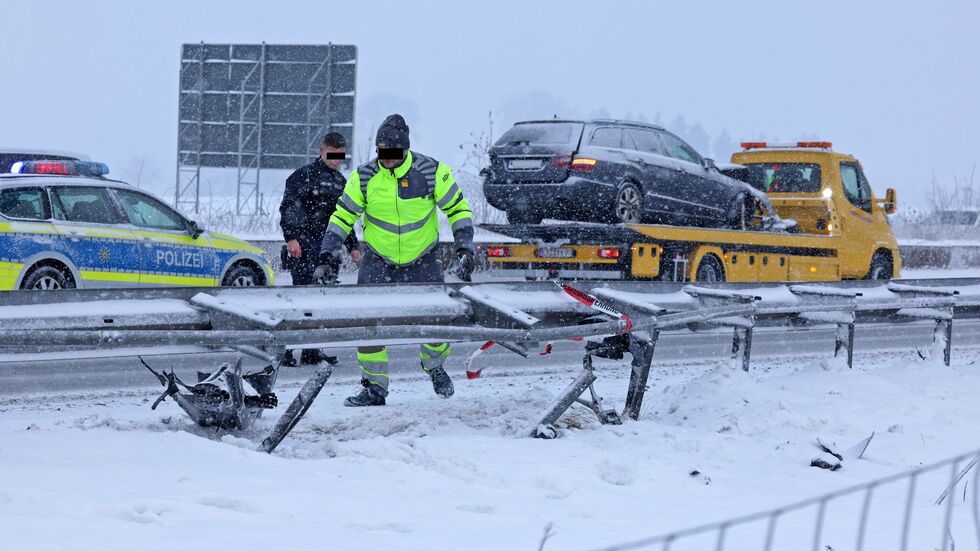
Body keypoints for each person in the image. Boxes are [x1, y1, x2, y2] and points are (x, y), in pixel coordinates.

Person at [316, 114, 476, 406]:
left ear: (406, 150)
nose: (387, 160)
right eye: (381, 153)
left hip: (424, 259)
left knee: (437, 321)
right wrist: (327, 254)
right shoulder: (364, 177)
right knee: (369, 324)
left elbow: (458, 209)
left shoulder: (431, 171)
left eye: (393, 154)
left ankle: (435, 366)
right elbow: (342, 216)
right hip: (378, 259)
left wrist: (465, 248)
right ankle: (375, 388)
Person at [278, 131, 361, 366]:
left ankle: (311, 350)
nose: (336, 160)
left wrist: (352, 245)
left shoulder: (340, 182)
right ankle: (285, 349)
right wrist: (291, 238)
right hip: (304, 245)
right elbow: (289, 209)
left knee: (319, 301)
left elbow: (343, 218)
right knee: (300, 299)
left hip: (328, 248)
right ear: (321, 151)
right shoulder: (302, 176)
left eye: (340, 156)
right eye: (332, 154)